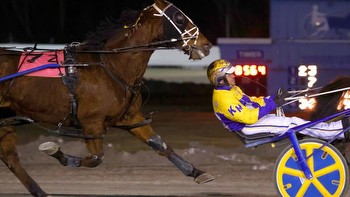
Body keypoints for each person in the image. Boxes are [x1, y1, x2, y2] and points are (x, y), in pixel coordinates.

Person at [206, 59, 350, 140]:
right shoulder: (223, 98)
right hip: (248, 127)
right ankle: (336, 131)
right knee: (294, 123)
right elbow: (248, 117)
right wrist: (273, 104)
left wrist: (273, 97)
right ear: (220, 79)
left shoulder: (232, 90)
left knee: (294, 121)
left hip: (254, 121)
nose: (233, 76)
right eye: (230, 74)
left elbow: (253, 103)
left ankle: (330, 130)